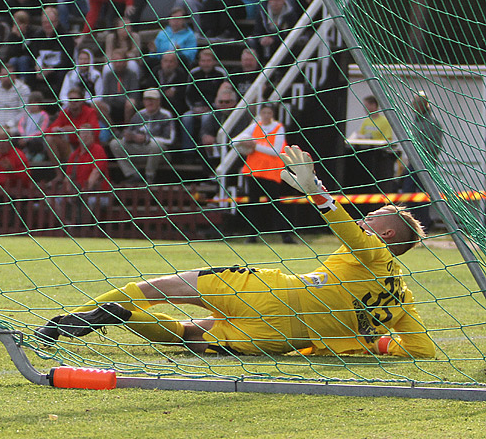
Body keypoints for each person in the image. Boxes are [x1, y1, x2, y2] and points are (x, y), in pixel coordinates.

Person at [35, 146, 436, 359]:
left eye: (372, 218)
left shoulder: (376, 251)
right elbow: (422, 350)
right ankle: (123, 318)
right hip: (280, 337)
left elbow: (350, 233)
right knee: (187, 336)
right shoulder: (402, 298)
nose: (365, 220)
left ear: (384, 233)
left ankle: (69, 320)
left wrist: (318, 192)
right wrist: (373, 342)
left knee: (159, 288)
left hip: (270, 290)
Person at [232, 102, 294, 243]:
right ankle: (252, 236)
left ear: (273, 115)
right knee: (253, 204)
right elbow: (233, 141)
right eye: (264, 112)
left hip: (270, 172)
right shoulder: (255, 126)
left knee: (275, 204)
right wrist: (245, 142)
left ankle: (286, 235)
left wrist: (255, 145)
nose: (266, 116)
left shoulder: (278, 128)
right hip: (254, 171)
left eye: (269, 113)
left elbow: (276, 151)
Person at [108, 89, 175, 184]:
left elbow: (170, 140)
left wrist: (146, 139)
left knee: (156, 145)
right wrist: (129, 138)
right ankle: (132, 174)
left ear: (158, 101)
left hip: (159, 152)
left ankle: (149, 177)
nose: (149, 102)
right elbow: (129, 132)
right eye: (147, 100)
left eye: (152, 100)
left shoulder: (166, 115)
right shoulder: (138, 115)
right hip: (139, 149)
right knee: (115, 143)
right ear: (143, 101)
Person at [401, 91, 444, 231]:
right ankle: (410, 223)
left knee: (423, 195)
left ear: (423, 105)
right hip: (413, 163)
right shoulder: (417, 121)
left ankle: (423, 224)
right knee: (408, 192)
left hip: (425, 164)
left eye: (416, 104)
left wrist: (417, 152)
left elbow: (434, 146)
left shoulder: (432, 122)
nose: (414, 107)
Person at [45, 85, 101, 167]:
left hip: (86, 146)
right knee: (49, 139)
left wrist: (76, 130)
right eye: (71, 100)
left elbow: (96, 132)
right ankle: (59, 174)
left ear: (82, 101)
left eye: (76, 100)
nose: (73, 103)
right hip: (69, 146)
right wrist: (57, 130)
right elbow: (48, 130)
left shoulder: (90, 112)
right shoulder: (65, 113)